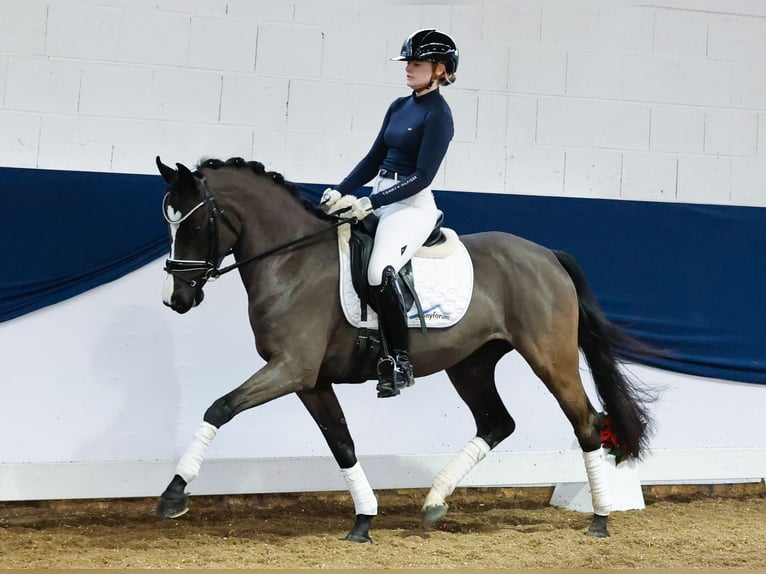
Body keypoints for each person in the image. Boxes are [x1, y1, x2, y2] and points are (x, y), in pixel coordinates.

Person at [321, 28, 459, 398]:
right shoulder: (399, 107)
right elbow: (373, 159)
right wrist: (342, 190)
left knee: (378, 271)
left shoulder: (439, 116)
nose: (408, 70)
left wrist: (371, 203)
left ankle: (400, 359)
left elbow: (423, 177)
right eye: (408, 64)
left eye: (416, 64)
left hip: (410, 206)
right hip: (380, 195)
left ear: (439, 68)